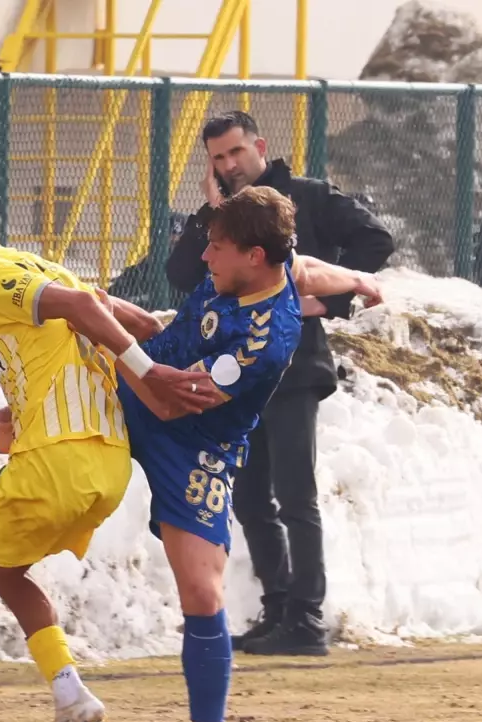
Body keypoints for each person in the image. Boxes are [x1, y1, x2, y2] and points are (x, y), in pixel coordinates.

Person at [0, 185, 384, 722]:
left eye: (216, 247)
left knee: (201, 592)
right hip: (146, 378)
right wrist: (360, 280)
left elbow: (170, 402)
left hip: (191, 437)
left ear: (254, 257)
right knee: (11, 427)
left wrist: (113, 349)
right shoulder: (277, 264)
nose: (204, 257)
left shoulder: (263, 344)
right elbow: (308, 269)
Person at [166, 111, 394, 657]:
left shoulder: (307, 196)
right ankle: (279, 608)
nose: (229, 165)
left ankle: (307, 619)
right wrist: (212, 211)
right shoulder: (221, 215)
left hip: (294, 368)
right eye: (218, 158)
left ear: (259, 146)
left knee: (295, 495)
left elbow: (375, 241)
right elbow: (180, 274)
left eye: (236, 152)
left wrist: (327, 303)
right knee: (249, 498)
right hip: (239, 375)